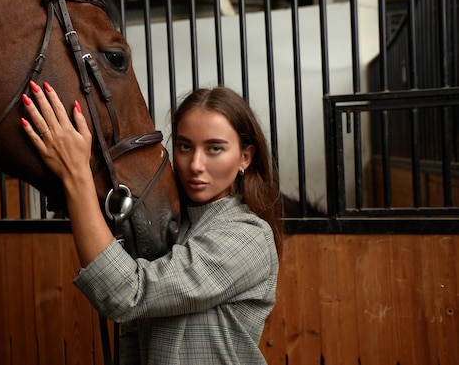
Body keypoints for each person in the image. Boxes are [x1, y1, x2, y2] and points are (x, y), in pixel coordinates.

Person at [21, 81, 283, 365]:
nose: (195, 164)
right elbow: (134, 338)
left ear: (245, 157)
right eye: (184, 146)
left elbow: (127, 294)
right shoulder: (171, 227)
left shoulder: (248, 237)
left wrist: (77, 174)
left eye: (215, 149)